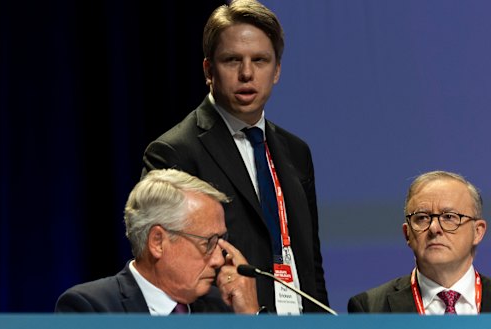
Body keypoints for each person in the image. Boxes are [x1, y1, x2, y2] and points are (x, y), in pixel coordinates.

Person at [141, 0, 328, 314]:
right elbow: (168, 270)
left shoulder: (297, 152)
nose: (246, 73)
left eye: (260, 60)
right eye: (232, 60)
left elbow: (310, 262)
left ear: (277, 70)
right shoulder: (175, 152)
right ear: (208, 70)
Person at [55, 168, 260, 314]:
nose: (218, 260)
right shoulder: (90, 308)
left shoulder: (223, 306)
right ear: (157, 242)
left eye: (221, 241)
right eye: (208, 242)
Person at [348, 170, 491, 314]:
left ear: (478, 232)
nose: (435, 228)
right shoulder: (370, 309)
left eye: (449, 217)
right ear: (407, 233)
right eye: (422, 218)